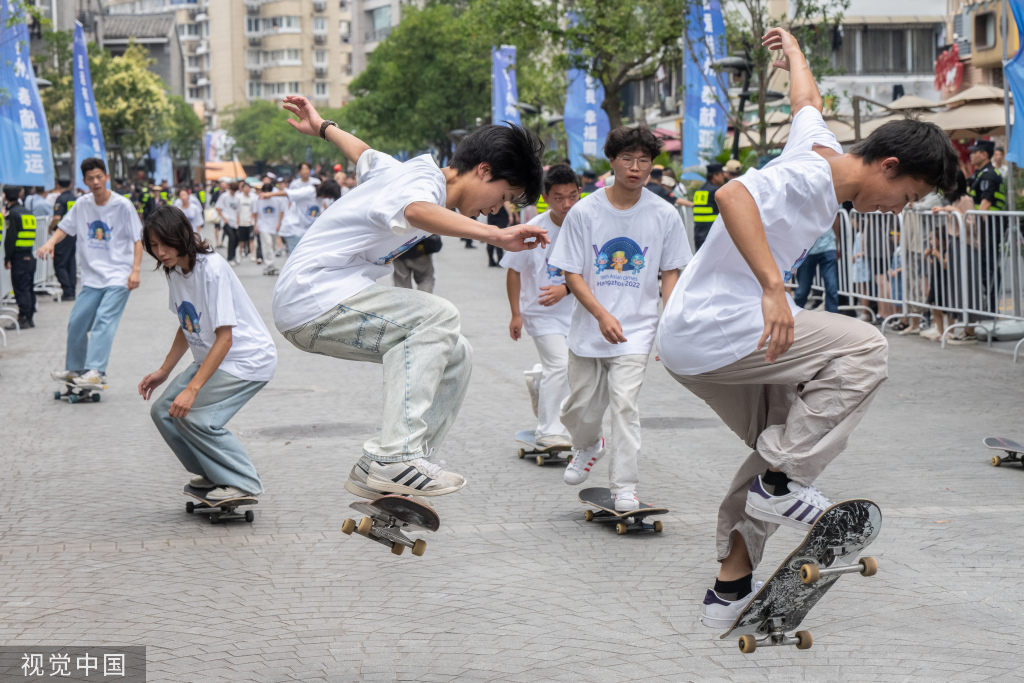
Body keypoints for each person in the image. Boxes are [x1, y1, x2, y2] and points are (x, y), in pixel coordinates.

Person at [655, 27, 956, 629]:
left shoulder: (818, 148)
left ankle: (731, 585)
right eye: (909, 195)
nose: (901, 208)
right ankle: (779, 486)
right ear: (888, 165)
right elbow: (733, 192)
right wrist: (772, 286)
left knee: (784, 439)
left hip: (696, 341)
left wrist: (793, 55)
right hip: (719, 329)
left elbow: (805, 103)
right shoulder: (809, 179)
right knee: (867, 348)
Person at [271, 94, 546, 500]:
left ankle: (390, 467)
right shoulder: (423, 184)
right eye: (503, 196)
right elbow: (416, 210)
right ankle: (395, 457)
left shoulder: (404, 172)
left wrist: (324, 127)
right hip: (314, 297)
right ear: (483, 171)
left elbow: (362, 154)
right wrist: (497, 236)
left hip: (318, 304)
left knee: (457, 352)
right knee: (438, 316)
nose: (495, 211)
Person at [549, 127, 692, 511]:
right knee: (580, 408)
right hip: (588, 329)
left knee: (625, 404)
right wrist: (600, 314)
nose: (636, 167)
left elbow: (671, 271)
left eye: (644, 160)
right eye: (627, 158)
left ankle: (624, 486)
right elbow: (572, 272)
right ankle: (588, 444)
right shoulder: (584, 211)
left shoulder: (664, 214)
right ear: (611, 161)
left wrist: (669, 324)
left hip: (637, 329)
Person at [139, 206, 276, 501]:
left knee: (195, 418)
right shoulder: (174, 270)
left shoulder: (212, 269)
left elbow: (225, 339)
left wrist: (192, 389)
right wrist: (164, 371)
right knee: (162, 411)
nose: (161, 252)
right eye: (153, 246)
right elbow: (186, 324)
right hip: (213, 356)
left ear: (183, 235)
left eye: (165, 243)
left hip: (247, 358)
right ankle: (215, 473)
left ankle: (244, 481)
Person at [38, 157, 144, 388]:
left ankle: (96, 371)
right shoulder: (82, 204)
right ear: (84, 181)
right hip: (92, 278)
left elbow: (138, 239)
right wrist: (50, 243)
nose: (95, 182)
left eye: (99, 177)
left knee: (103, 321)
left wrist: (135, 271)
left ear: (106, 177)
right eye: (90, 179)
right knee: (76, 322)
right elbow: (64, 227)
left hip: (119, 275)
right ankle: (76, 369)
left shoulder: (122, 205)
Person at [502, 164, 581, 448]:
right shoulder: (534, 229)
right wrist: (515, 313)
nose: (567, 204)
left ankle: (539, 382)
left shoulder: (588, 226)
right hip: (540, 313)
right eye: (559, 197)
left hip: (577, 313)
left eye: (572, 196)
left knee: (572, 371)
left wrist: (566, 289)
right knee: (559, 365)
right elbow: (513, 270)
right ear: (546, 197)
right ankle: (549, 431)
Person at [260, 179, 341, 254]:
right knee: (299, 256)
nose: (327, 198)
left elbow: (318, 212)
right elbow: (288, 193)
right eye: (328, 196)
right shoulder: (309, 191)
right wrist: (270, 194)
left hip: (302, 230)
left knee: (303, 256)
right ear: (325, 191)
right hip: (293, 228)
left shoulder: (319, 198)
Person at [3, 186, 37, 329]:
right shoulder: (27, 212)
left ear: (5, 196)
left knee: (20, 289)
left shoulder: (13, 214)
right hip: (29, 255)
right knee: (28, 287)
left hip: (18, 257)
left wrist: (7, 258)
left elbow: (10, 239)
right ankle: (29, 317)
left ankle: (23, 318)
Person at [793, 216, 840, 313]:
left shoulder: (832, 200)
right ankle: (794, 317)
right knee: (803, 289)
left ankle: (832, 319)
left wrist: (836, 242)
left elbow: (836, 218)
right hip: (807, 249)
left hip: (828, 245)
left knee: (832, 286)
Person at [50, 178, 78, 300]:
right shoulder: (75, 198)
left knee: (60, 264)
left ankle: (67, 291)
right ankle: (71, 290)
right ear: (71, 184)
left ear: (58, 185)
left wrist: (50, 227)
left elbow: (56, 217)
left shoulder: (60, 199)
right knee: (71, 262)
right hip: (73, 234)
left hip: (62, 234)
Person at [692, 161, 726, 251]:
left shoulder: (699, 190)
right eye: (722, 174)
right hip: (711, 233)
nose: (724, 176)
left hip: (698, 233)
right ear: (715, 176)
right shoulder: (716, 191)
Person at [253, 182, 285, 273]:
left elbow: (281, 212)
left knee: (273, 246)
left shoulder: (277, 199)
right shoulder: (258, 200)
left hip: (274, 226)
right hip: (263, 226)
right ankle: (269, 264)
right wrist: (256, 224)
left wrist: (279, 223)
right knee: (267, 244)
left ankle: (270, 262)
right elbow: (256, 213)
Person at [214, 182, 240, 264]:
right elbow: (217, 207)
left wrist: (238, 219)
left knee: (236, 239)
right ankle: (230, 258)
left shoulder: (237, 197)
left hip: (234, 221)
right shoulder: (224, 196)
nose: (233, 193)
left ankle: (234, 256)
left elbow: (238, 210)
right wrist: (223, 218)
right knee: (231, 238)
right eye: (232, 191)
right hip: (226, 221)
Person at [486, 201, 518, 266]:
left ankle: (491, 260)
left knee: (490, 237)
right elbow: (506, 202)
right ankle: (500, 260)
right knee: (500, 237)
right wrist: (510, 215)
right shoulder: (502, 191)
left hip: (491, 214)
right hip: (501, 215)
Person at [236, 182, 256, 262]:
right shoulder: (239, 198)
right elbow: (237, 210)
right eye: (245, 187)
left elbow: (254, 210)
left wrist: (252, 219)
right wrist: (237, 219)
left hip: (250, 222)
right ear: (242, 188)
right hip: (241, 222)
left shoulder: (253, 198)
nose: (247, 189)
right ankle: (240, 254)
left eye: (248, 187)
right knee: (241, 240)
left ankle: (252, 255)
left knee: (251, 239)